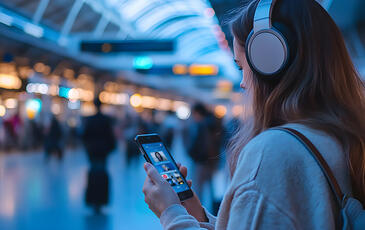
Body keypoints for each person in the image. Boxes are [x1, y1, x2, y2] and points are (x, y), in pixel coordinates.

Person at [141, 0, 365, 229]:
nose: (242, 83)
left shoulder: (275, 151)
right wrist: (197, 215)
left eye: (242, 67)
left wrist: (171, 214)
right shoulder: (342, 138)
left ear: (270, 62)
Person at [82, 98, 116, 214]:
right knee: (102, 173)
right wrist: (108, 149)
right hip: (103, 152)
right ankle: (101, 200)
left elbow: (84, 136)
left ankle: (92, 200)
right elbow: (111, 138)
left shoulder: (90, 120)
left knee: (93, 173)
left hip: (92, 152)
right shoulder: (106, 120)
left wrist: (89, 148)